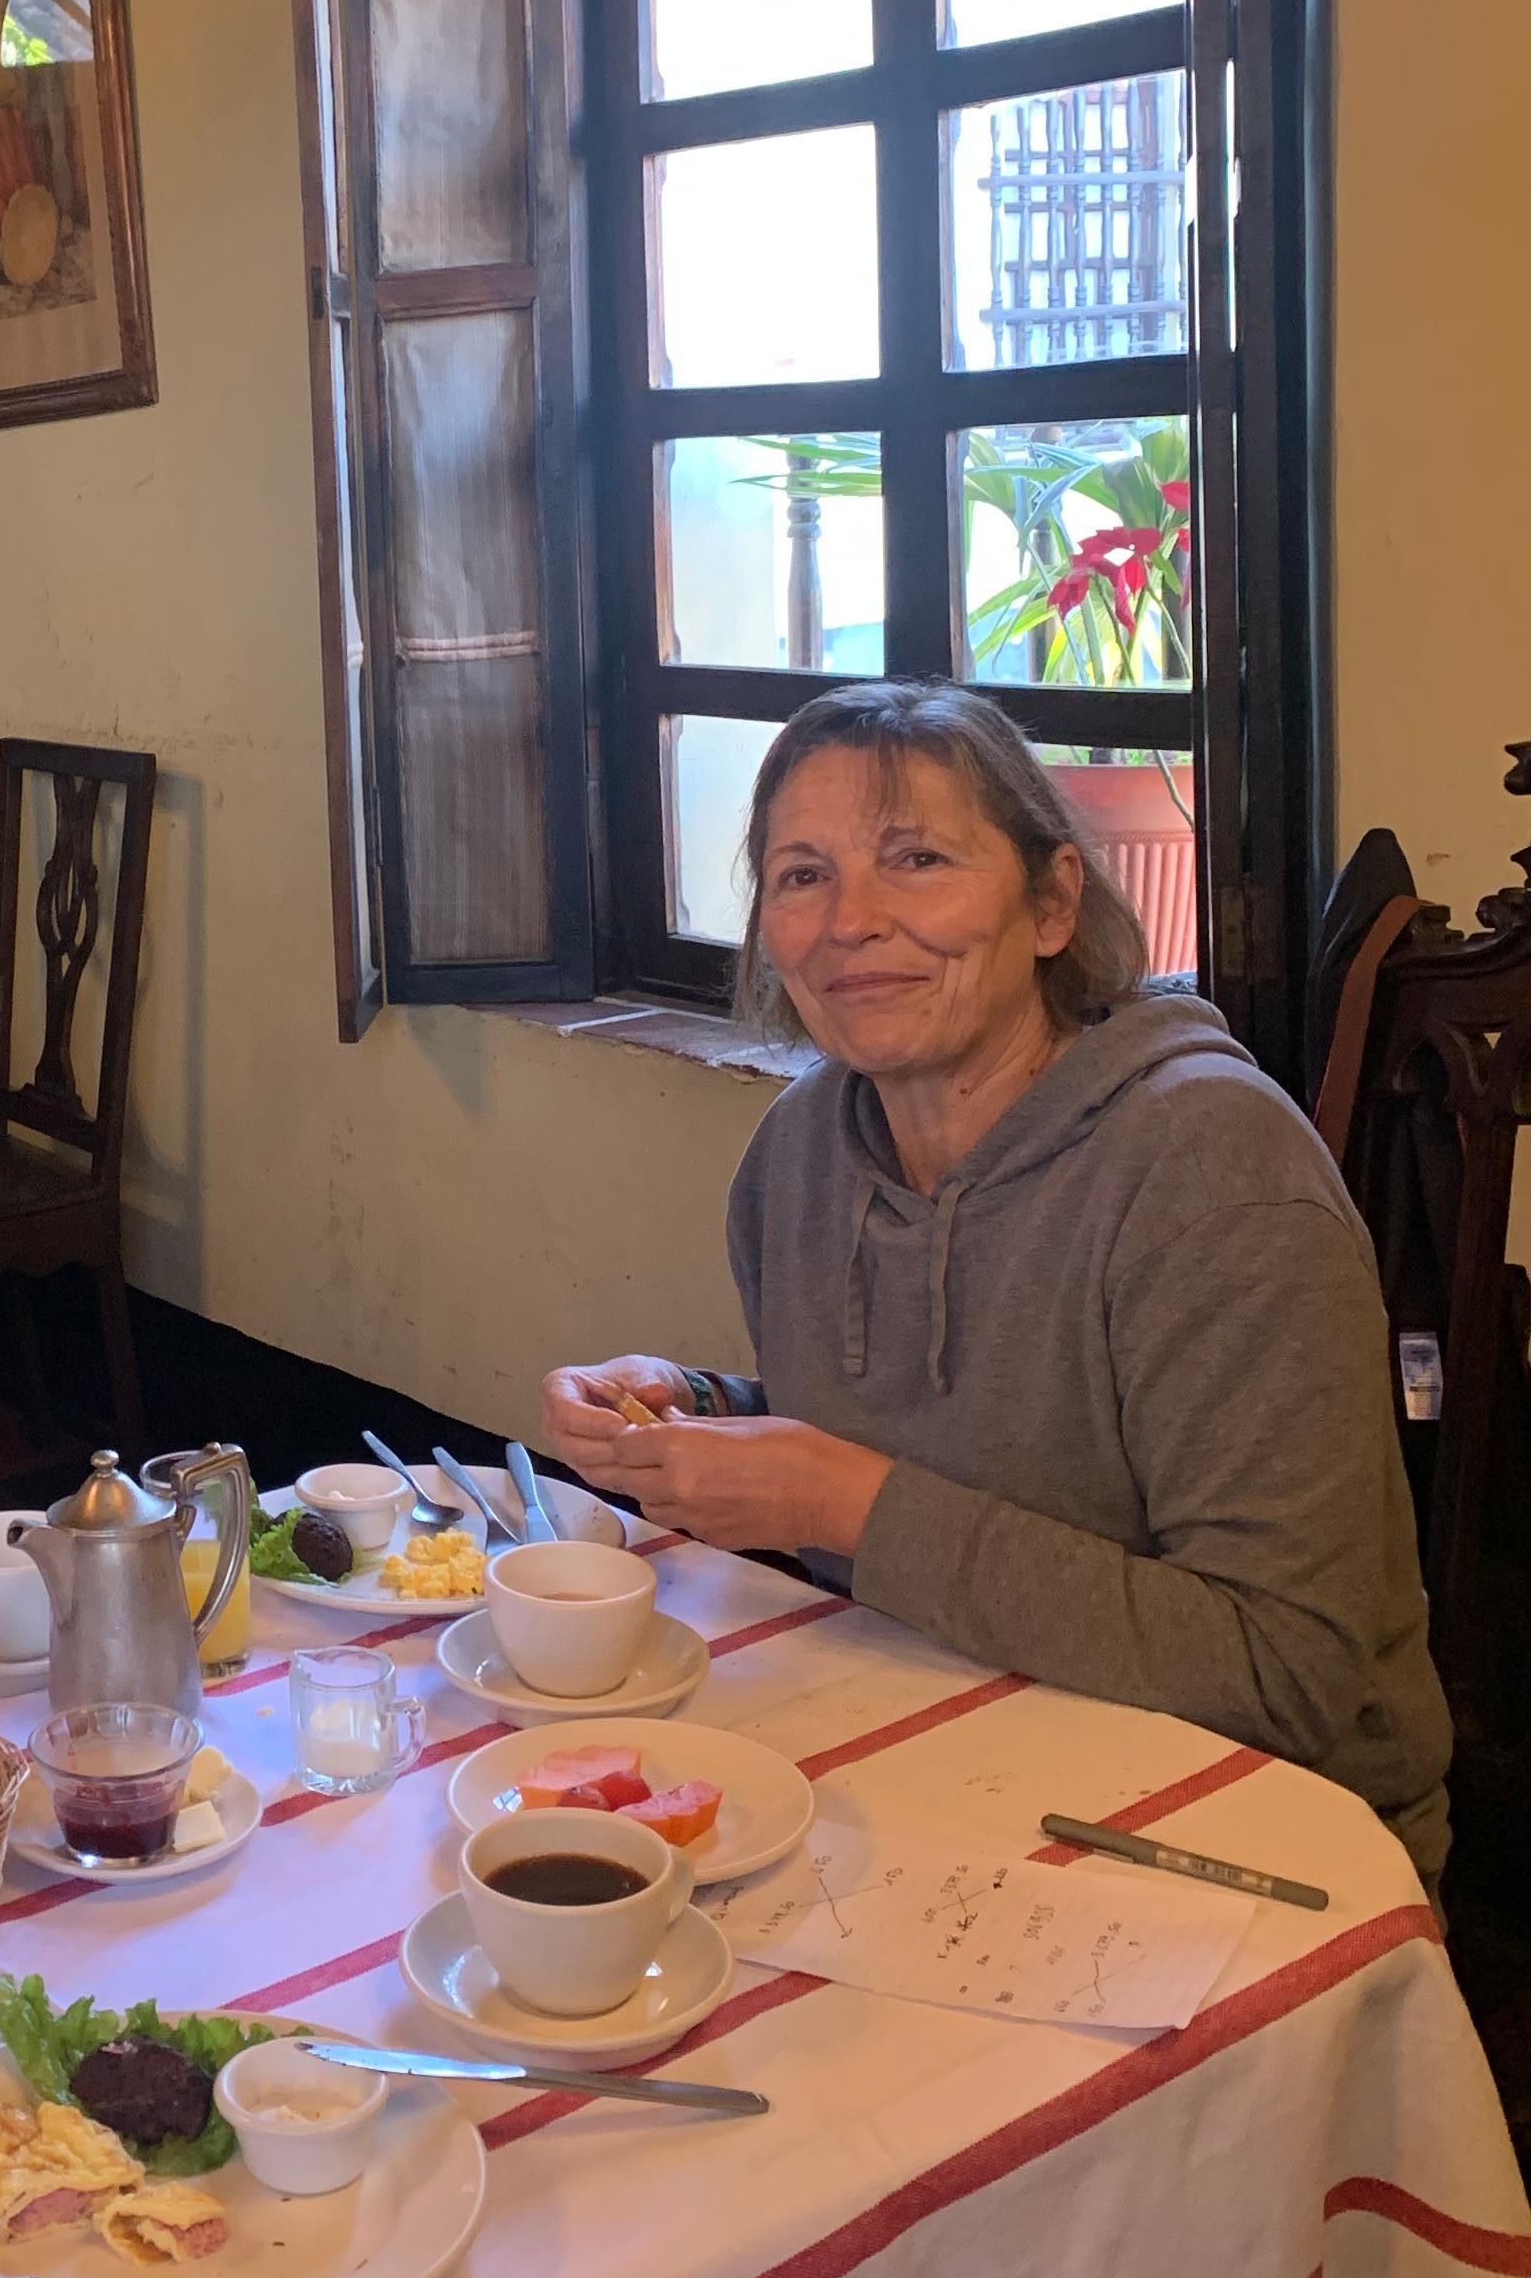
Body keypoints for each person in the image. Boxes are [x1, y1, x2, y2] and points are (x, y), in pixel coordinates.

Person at [538, 683, 1452, 1879]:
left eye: (916, 858)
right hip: (934, 1737)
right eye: (801, 874)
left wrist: (841, 1504)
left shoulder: (1213, 1175)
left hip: (1252, 1837)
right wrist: (701, 1410)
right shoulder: (801, 1154)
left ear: (1054, 901)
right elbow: (951, 1429)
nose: (850, 921)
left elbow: (1286, 1673)